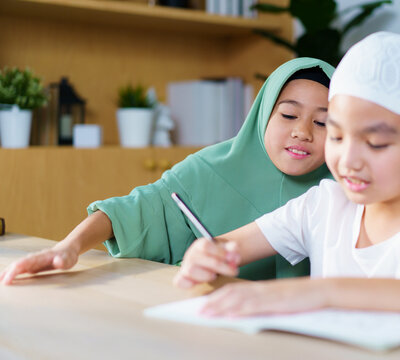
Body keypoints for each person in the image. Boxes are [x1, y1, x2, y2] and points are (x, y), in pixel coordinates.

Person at [173, 32, 400, 325]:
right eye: (336, 136)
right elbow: (229, 246)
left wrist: (322, 292)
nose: (348, 161)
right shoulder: (325, 205)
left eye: (375, 143)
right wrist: (207, 254)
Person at [0, 58, 335, 285]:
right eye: (289, 116)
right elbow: (133, 211)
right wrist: (69, 247)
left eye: (322, 122)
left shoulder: (341, 192)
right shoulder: (209, 169)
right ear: (262, 114)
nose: (302, 132)